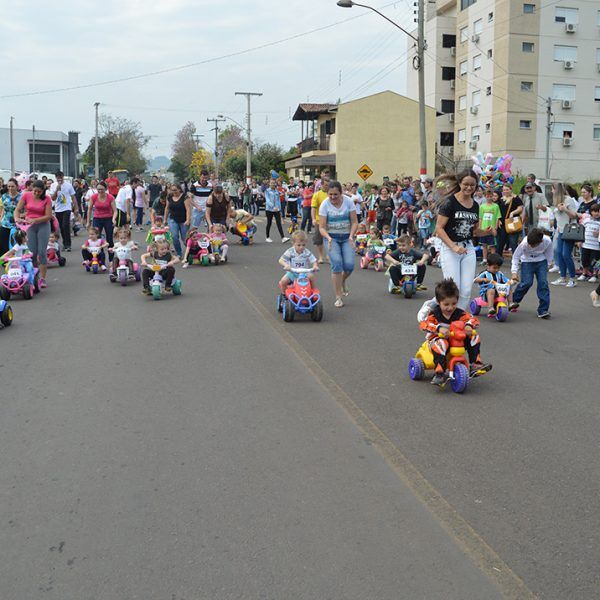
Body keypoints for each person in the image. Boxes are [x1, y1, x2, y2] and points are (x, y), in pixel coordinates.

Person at [435, 170, 493, 310]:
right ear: (460, 183)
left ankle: (458, 320)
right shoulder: (449, 203)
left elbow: (473, 231)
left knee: (466, 290)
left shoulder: (475, 205)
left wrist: (485, 232)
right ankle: (431, 306)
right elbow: (439, 228)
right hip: (450, 248)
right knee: (453, 289)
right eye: (465, 184)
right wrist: (453, 247)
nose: (469, 187)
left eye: (472, 185)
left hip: (468, 249)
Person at [419, 279, 491, 386]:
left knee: (474, 337)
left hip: (456, 339)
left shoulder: (460, 313)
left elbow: (472, 319)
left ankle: (475, 364)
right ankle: (440, 372)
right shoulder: (434, 314)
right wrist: (439, 328)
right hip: (436, 340)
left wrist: (468, 326)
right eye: (446, 304)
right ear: (439, 302)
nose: (450, 307)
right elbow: (424, 324)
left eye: (453, 304)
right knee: (441, 343)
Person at [318, 180, 358, 308]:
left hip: (347, 238)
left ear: (341, 193)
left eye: (336, 194)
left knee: (349, 265)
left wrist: (351, 235)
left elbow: (355, 222)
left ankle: (343, 280)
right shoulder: (324, 205)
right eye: (330, 194)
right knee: (336, 265)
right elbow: (322, 227)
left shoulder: (348, 202)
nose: (333, 197)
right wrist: (328, 238)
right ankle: (338, 297)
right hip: (332, 238)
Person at [14, 180, 52, 288]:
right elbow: (17, 209)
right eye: (34, 191)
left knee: (42, 251)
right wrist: (17, 218)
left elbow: (48, 216)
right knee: (32, 252)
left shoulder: (47, 199)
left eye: (39, 192)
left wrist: (36, 220)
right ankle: (35, 275)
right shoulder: (26, 195)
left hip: (43, 225)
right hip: (29, 226)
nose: (36, 193)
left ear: (43, 191)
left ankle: (43, 278)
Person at [509, 228, 553, 318]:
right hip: (527, 261)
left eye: (532, 245)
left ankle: (543, 310)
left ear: (540, 241)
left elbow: (549, 253)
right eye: (529, 243)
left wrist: (548, 264)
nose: (530, 245)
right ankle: (512, 300)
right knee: (527, 283)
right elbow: (515, 257)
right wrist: (514, 272)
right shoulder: (524, 244)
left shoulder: (547, 241)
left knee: (543, 283)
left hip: (541, 261)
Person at [550, 182, 579, 287]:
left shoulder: (568, 200)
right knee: (559, 253)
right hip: (560, 231)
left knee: (566, 255)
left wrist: (565, 209)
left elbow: (574, 215)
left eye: (553, 189)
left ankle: (573, 278)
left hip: (569, 231)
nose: (551, 191)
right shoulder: (557, 201)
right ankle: (562, 277)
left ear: (557, 190)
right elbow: (559, 218)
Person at [50, 171, 79, 252]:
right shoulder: (53, 185)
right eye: (57, 177)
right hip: (58, 208)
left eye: (60, 177)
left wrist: (76, 208)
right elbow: (53, 198)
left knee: (65, 225)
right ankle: (64, 243)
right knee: (61, 227)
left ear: (63, 177)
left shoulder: (68, 185)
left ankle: (68, 244)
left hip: (67, 208)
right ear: (56, 178)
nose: (59, 179)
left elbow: (73, 197)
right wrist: (56, 190)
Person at [164, 184, 192, 258]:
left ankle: (191, 250)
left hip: (184, 220)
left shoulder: (185, 197)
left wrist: (188, 219)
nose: (174, 192)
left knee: (184, 238)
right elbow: (167, 208)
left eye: (175, 190)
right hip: (173, 219)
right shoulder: (169, 196)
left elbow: (188, 209)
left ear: (179, 189)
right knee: (174, 236)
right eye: (172, 190)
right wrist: (165, 219)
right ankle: (179, 253)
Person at [87, 181, 116, 251]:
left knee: (109, 238)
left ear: (106, 189)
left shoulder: (110, 197)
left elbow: (115, 211)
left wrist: (113, 219)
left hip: (108, 218)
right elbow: (89, 209)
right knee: (97, 239)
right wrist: (88, 222)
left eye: (102, 189)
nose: (100, 191)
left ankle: (111, 259)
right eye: (98, 189)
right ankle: (99, 257)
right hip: (97, 218)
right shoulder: (94, 197)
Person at [497, 183, 523, 256]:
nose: (505, 191)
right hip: (502, 224)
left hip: (512, 223)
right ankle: (498, 258)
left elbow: (520, 208)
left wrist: (513, 213)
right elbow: (498, 211)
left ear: (511, 190)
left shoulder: (516, 198)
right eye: (504, 190)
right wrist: (498, 220)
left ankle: (516, 259)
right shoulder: (501, 199)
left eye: (507, 189)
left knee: (513, 242)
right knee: (501, 242)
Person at [478, 188, 501, 265]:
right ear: (485, 196)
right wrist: (480, 228)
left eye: (490, 196)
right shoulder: (482, 206)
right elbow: (480, 218)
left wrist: (495, 228)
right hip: (484, 229)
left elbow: (498, 217)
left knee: (492, 246)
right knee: (484, 245)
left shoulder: (496, 206)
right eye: (487, 196)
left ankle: (492, 261)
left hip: (491, 229)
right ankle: (484, 259)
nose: (489, 197)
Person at [578, 203, 600, 282]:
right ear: (591, 212)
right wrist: (580, 240)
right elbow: (582, 230)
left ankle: (594, 275)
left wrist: (599, 233)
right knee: (584, 260)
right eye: (594, 211)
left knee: (595, 261)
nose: (596, 213)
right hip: (586, 244)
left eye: (598, 211)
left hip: (596, 246)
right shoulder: (586, 220)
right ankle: (584, 273)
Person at [0, 178, 21, 256]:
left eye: (12, 186)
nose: (10, 188)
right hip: (5, 223)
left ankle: (16, 260)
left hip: (17, 223)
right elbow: (2, 210)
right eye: (9, 186)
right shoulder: (4, 196)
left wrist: (20, 216)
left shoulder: (21, 197)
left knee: (15, 243)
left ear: (17, 186)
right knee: (3, 242)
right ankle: (5, 260)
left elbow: (27, 211)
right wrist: (0, 220)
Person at [264, 179, 289, 243]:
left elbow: (278, 200)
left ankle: (283, 238)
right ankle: (267, 237)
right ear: (269, 184)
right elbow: (267, 200)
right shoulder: (267, 191)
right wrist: (273, 207)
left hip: (277, 209)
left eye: (274, 183)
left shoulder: (277, 191)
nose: (273, 184)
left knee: (279, 223)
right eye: (271, 183)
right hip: (269, 209)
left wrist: (279, 208)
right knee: (269, 223)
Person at [311, 178, 329, 262]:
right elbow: (313, 208)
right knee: (319, 240)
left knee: (330, 239)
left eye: (328, 185)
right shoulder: (317, 194)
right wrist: (313, 219)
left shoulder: (331, 194)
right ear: (321, 185)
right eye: (325, 185)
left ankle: (328, 255)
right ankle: (321, 256)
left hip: (330, 221)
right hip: (319, 220)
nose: (327, 187)